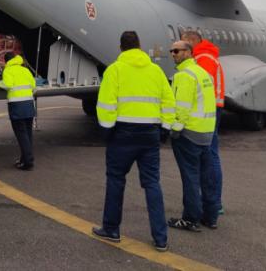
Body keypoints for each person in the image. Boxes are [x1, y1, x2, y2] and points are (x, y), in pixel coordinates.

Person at [92, 31, 174, 252]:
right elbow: (168, 101)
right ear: (140, 46)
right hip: (150, 135)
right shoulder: (156, 71)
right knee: (152, 184)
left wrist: (107, 131)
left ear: (121, 48)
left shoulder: (114, 70)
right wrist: (165, 129)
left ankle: (111, 229)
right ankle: (160, 238)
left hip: (122, 134)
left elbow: (106, 104)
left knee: (116, 180)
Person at [167, 41, 219, 232]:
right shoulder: (202, 73)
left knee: (190, 177)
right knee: (207, 176)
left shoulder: (184, 76)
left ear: (188, 52)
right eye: (171, 51)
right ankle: (211, 216)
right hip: (206, 132)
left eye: (177, 51)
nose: (173, 54)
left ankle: (190, 218)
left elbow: (182, 106)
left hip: (189, 133)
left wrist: (175, 129)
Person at [181, 28, 225, 214]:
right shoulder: (206, 57)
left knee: (209, 156)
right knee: (209, 156)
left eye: (182, 45)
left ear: (191, 42)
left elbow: (200, 89)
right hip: (212, 109)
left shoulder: (203, 59)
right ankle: (212, 203)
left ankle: (212, 203)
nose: (179, 49)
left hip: (207, 112)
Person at [0, 52, 36, 170]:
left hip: (17, 106)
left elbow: (7, 84)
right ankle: (24, 159)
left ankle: (28, 162)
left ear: (6, 61)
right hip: (29, 104)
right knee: (27, 133)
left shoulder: (8, 70)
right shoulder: (25, 70)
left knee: (21, 134)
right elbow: (33, 85)